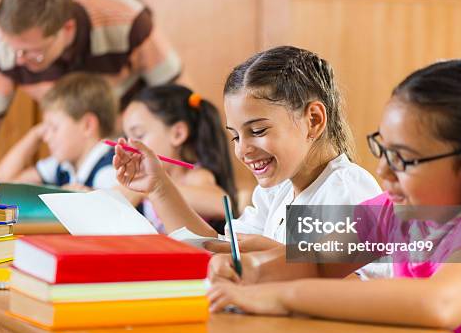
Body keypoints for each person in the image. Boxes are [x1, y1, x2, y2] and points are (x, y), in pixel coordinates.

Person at [208, 60, 461, 333]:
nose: (382, 170)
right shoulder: (395, 213)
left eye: (403, 159)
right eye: (383, 149)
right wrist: (246, 271)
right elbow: (313, 260)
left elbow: (438, 303)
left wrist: (279, 297)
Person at [113, 46, 384, 272]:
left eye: (257, 131)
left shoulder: (346, 190)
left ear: (313, 120)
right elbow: (216, 247)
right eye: (235, 136)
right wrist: (158, 186)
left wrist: (277, 255)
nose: (243, 150)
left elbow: (363, 291)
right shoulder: (277, 191)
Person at [0, 0, 183, 168]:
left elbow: (181, 98)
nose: (19, 59)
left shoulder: (127, 21)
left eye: (32, 52)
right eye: (13, 48)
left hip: (133, 147)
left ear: (67, 28)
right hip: (78, 156)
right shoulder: (5, 48)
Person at [121, 84, 237, 233]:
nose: (129, 145)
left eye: (138, 135)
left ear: (178, 134)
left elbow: (221, 204)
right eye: (126, 137)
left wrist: (148, 190)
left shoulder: (195, 176)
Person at [0, 72, 117, 191]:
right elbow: (4, 182)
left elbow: (114, 208)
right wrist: (34, 134)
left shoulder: (109, 171)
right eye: (45, 129)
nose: (46, 138)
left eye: (54, 127)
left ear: (87, 126)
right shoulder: (63, 165)